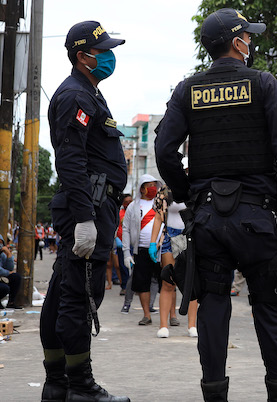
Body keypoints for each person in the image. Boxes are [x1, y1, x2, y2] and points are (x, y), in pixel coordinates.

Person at [154, 9, 277, 399]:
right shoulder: (264, 84)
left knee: (212, 307)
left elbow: (164, 150)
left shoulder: (188, 89)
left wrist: (190, 192)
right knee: (270, 307)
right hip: (259, 217)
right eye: (248, 37)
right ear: (238, 42)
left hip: (208, 219)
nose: (251, 43)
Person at [38, 21, 129, 401]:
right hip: (87, 206)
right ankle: (80, 387)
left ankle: (58, 384)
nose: (108, 56)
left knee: (62, 294)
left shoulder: (88, 92)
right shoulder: (76, 95)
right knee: (78, 297)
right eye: (102, 50)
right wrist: (86, 219)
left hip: (91, 204)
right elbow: (71, 161)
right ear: (82, 56)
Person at [149, 187, 199, 338]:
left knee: (192, 282)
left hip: (190, 236)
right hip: (170, 236)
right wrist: (153, 242)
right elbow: (158, 218)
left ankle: (192, 325)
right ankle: (163, 325)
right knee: (168, 282)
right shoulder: (164, 190)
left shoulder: (197, 186)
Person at [120, 174, 164, 324]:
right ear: (142, 188)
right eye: (149, 185)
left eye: (154, 185)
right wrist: (126, 252)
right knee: (142, 282)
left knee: (166, 283)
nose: (152, 188)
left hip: (162, 249)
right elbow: (125, 229)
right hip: (141, 250)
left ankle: (172, 316)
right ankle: (147, 315)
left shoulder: (161, 203)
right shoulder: (133, 206)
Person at [0, 239, 21, 309]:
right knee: (4, 288)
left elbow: (9, 268)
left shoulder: (2, 255)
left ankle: (11, 302)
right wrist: (7, 273)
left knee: (16, 277)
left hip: (1, 277)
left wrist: (9, 254)